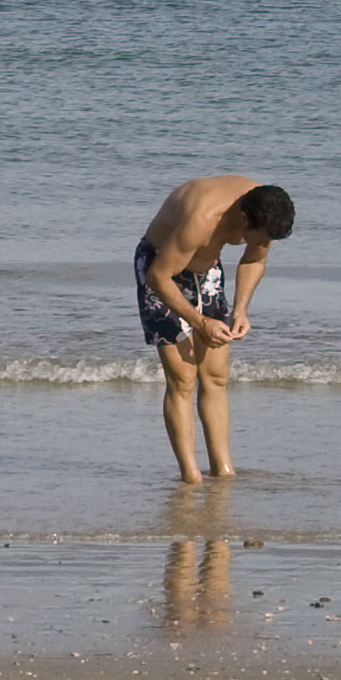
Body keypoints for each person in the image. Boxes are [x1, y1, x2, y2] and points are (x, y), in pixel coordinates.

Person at [134, 176, 292, 483]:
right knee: (183, 379)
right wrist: (200, 321)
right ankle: (191, 477)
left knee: (217, 376)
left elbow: (254, 260)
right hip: (161, 270)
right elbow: (159, 277)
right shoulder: (203, 219)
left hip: (205, 272)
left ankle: (223, 471)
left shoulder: (266, 209)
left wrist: (241, 309)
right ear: (244, 218)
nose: (262, 244)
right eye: (259, 237)